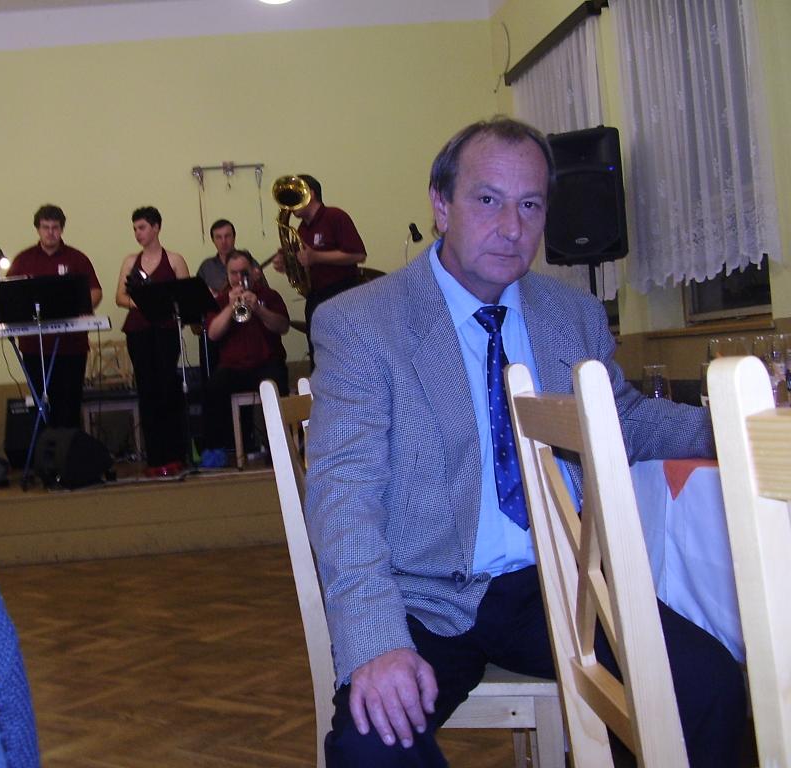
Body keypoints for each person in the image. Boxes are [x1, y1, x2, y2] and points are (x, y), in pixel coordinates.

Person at [305, 117, 745, 767]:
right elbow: (343, 494)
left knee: (707, 685)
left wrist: (734, 425)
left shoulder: (573, 315)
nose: (512, 227)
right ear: (441, 205)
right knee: (373, 747)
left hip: (558, 586)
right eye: (488, 199)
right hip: (424, 595)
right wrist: (376, 642)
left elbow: (620, 419)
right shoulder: (364, 323)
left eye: (530, 205)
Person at [7, 204, 102, 430]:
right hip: (34, 347)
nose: (50, 232)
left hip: (71, 346)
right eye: (45, 227)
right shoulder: (23, 260)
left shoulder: (77, 258)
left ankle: (69, 450)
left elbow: (95, 291)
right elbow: (10, 295)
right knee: (42, 407)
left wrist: (82, 306)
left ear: (62, 229)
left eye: (55, 227)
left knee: (69, 405)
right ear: (38, 229)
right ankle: (46, 450)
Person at [115, 206, 190, 477]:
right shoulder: (130, 261)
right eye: (135, 229)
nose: (138, 233)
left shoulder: (175, 260)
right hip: (139, 331)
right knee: (147, 389)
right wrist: (144, 302)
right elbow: (120, 297)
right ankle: (155, 457)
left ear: (156, 228)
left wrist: (163, 304)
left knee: (167, 387)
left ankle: (175, 453)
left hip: (166, 329)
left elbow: (185, 295)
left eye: (142, 228)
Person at [199, 250, 290, 468]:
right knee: (212, 389)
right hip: (234, 368)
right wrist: (230, 307)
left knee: (277, 383)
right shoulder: (220, 301)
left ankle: (279, 448)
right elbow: (213, 334)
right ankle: (217, 450)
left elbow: (283, 326)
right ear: (227, 274)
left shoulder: (269, 295)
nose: (239, 278)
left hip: (266, 363)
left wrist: (258, 308)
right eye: (234, 273)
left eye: (244, 272)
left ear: (254, 272)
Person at [272, 174, 366, 368]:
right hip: (315, 297)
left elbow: (358, 254)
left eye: (295, 197)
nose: (291, 205)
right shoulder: (302, 229)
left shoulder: (335, 216)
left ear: (311, 194)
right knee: (318, 357)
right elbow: (305, 264)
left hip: (341, 295)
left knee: (344, 356)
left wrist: (317, 257)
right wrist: (288, 264)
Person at [195, 219, 267, 378]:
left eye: (227, 236)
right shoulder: (206, 267)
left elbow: (264, 293)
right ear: (213, 240)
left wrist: (256, 280)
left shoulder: (249, 262)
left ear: (234, 237)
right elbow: (198, 298)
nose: (223, 241)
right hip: (219, 322)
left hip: (248, 325)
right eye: (218, 237)